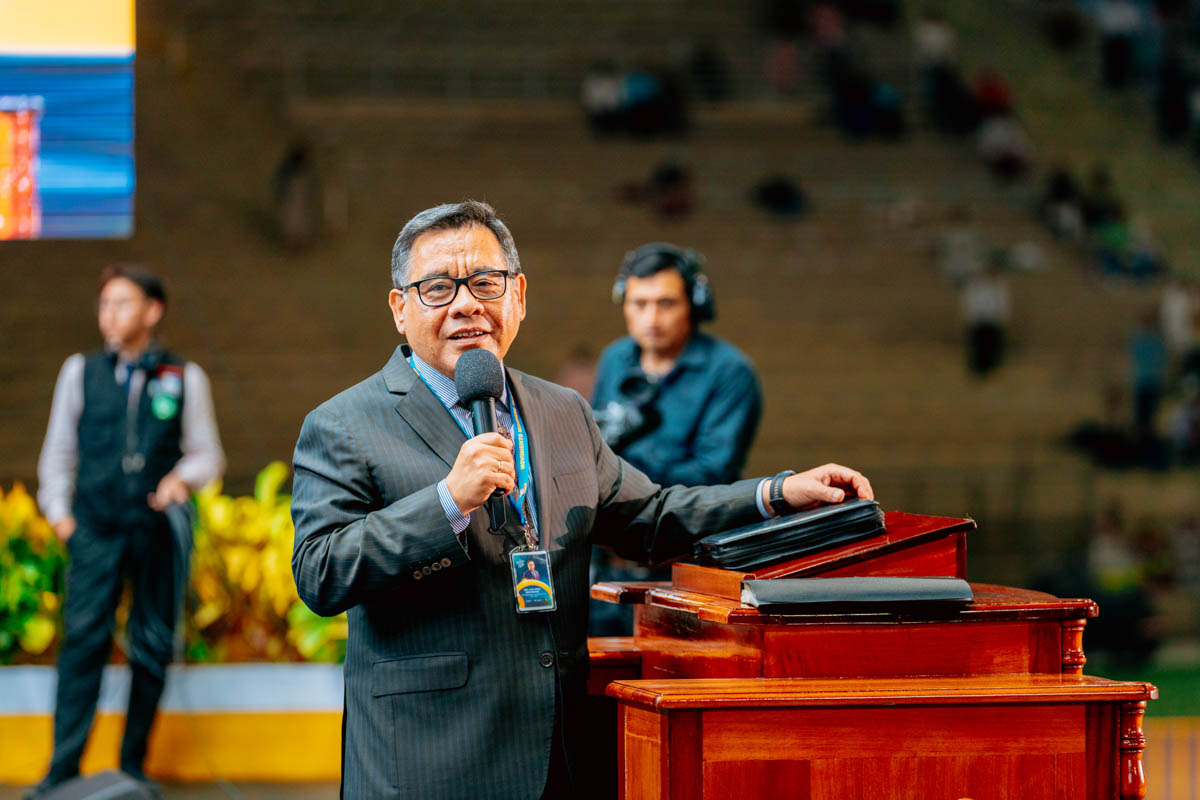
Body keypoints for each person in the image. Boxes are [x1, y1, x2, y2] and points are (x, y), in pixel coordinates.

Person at [289, 201, 872, 799]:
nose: (467, 304)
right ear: (399, 308)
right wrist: (446, 502)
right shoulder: (344, 424)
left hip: (559, 756)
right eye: (438, 287)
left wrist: (778, 493)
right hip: (428, 763)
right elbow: (320, 572)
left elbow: (650, 517)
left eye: (485, 283)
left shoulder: (562, 410)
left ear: (518, 296)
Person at [29, 265, 224, 796]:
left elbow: (207, 455)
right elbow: (58, 454)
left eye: (121, 303)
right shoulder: (80, 371)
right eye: (104, 304)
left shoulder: (184, 377)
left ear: (152, 311)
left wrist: (180, 480)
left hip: (154, 532)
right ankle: (61, 770)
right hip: (92, 531)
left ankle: (132, 769)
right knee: (83, 645)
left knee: (150, 644)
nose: (108, 315)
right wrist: (63, 519)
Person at [592, 242, 762, 486]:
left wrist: (619, 481)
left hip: (696, 519)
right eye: (640, 303)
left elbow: (713, 472)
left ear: (692, 306)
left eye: (666, 304)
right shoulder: (614, 358)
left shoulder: (730, 371)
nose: (651, 319)